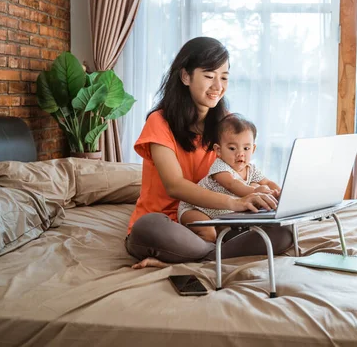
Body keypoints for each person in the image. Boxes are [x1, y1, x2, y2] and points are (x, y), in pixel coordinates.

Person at [126, 37, 293, 269]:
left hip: (216, 222)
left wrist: (270, 193)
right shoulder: (159, 122)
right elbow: (174, 185)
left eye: (224, 77)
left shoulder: (226, 124)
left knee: (283, 233)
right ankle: (214, 254)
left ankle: (197, 257)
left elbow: (243, 170)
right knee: (149, 227)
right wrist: (236, 202)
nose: (218, 86)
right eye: (209, 76)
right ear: (186, 76)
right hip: (169, 225)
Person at [178, 113, 281, 243]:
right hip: (195, 208)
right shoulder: (220, 167)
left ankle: (216, 247)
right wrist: (257, 192)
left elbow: (267, 182)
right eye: (232, 148)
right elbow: (233, 185)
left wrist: (278, 192)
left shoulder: (251, 169)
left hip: (220, 213)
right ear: (218, 150)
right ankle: (200, 251)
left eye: (246, 148)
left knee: (236, 232)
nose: (240, 154)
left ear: (253, 149)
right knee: (208, 233)